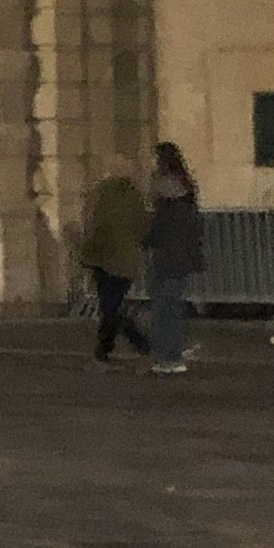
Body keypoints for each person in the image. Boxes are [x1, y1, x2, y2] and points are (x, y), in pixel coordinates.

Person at [144, 142, 204, 375]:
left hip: (168, 261)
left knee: (164, 310)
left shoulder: (168, 206)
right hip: (180, 261)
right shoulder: (187, 199)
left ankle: (169, 358)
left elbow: (156, 234)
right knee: (169, 309)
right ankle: (172, 355)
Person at [81, 166, 151, 362]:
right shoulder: (135, 201)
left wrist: (86, 254)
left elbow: (97, 232)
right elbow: (143, 228)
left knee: (110, 308)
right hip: (127, 263)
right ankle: (104, 348)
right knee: (112, 306)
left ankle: (137, 342)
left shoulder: (105, 202)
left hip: (106, 262)